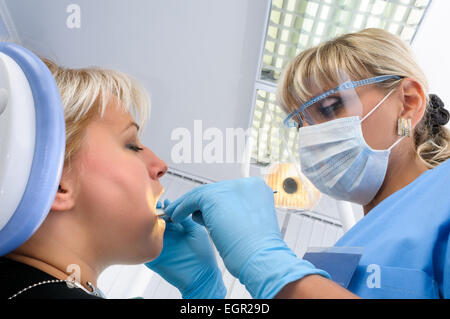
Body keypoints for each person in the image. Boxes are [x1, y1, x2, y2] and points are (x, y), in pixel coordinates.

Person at [147, 28, 449, 299]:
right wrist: (205, 291)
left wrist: (267, 263)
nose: (313, 135)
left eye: (330, 108)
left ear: (408, 102)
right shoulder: (335, 258)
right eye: (301, 125)